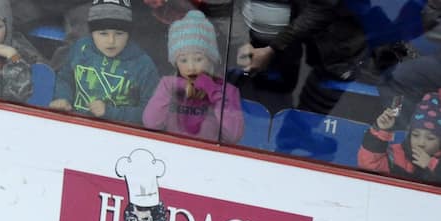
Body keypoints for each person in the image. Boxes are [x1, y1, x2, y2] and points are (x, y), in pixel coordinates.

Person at [234, 0, 369, 116]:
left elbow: (323, 9)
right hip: (282, 27)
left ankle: (298, 130)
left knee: (330, 78)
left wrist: (273, 48)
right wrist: (242, 38)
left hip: (338, 39)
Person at [49, 0, 160, 125]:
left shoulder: (142, 65)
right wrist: (62, 98)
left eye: (119, 33)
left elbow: (151, 113)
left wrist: (110, 113)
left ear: (129, 34)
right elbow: (65, 79)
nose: (111, 41)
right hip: (75, 125)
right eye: (103, 33)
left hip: (118, 134)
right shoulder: (81, 48)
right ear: (92, 33)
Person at [143, 10, 244, 143]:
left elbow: (234, 136)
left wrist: (216, 94)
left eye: (198, 59)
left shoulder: (227, 91)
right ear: (175, 63)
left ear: (210, 59)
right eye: (183, 60)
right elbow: (151, 124)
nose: (191, 67)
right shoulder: (168, 86)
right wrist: (171, 88)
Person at [358, 89, 441, 182]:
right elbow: (369, 165)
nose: (421, 143)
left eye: (430, 138)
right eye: (415, 135)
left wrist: (432, 165)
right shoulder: (397, 155)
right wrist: (382, 130)